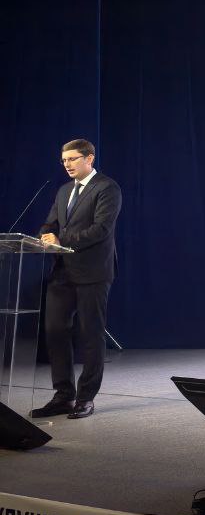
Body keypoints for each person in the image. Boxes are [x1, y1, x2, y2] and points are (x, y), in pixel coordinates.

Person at [30, 139, 122, 420]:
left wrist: (62, 239)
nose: (67, 164)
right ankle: (63, 396)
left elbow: (101, 229)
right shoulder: (63, 191)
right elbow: (51, 223)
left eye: (72, 159)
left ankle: (85, 398)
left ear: (89, 158)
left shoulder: (107, 188)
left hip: (93, 272)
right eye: (64, 160)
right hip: (63, 272)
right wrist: (44, 236)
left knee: (91, 334)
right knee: (55, 331)